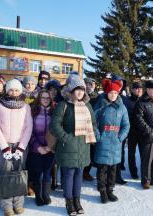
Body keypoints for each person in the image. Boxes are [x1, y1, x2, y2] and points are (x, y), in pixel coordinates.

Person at [50, 75, 97, 215]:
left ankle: (77, 200)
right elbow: (54, 124)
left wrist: (92, 133)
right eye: (77, 90)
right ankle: (69, 201)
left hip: (83, 145)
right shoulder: (63, 105)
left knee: (79, 174)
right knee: (68, 174)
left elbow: (93, 123)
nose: (80, 93)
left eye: (82, 90)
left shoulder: (87, 105)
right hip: (68, 145)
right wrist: (65, 137)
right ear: (71, 90)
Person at [0, 79, 33, 216]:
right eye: (11, 89)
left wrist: (21, 147)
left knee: (19, 173)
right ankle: (6, 206)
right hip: (3, 145)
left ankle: (18, 204)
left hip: (20, 146)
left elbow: (28, 127)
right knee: (5, 174)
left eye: (16, 90)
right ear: (7, 90)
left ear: (20, 91)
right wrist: (4, 147)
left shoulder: (25, 107)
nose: (14, 92)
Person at [94, 78, 130, 203]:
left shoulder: (122, 107)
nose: (113, 95)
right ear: (106, 93)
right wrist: (98, 136)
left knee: (113, 168)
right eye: (110, 93)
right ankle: (102, 190)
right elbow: (93, 122)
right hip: (103, 140)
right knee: (103, 168)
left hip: (116, 141)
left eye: (115, 93)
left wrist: (120, 137)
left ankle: (110, 189)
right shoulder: (100, 105)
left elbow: (126, 125)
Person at [28, 90, 55, 206]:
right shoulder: (33, 111)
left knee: (48, 172)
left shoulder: (54, 112)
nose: (45, 100)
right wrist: (38, 147)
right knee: (37, 173)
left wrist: (51, 146)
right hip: (36, 149)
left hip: (50, 148)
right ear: (39, 98)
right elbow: (29, 131)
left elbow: (56, 131)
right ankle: (38, 195)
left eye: (47, 98)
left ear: (51, 99)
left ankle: (46, 194)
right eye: (43, 97)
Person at [123, 81, 143, 179]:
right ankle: (133, 171)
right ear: (133, 90)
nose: (139, 90)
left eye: (140, 89)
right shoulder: (127, 101)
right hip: (132, 131)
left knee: (144, 153)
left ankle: (144, 171)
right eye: (137, 88)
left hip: (142, 132)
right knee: (131, 153)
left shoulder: (144, 100)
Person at [82, 78, 99, 181]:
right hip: (81, 127)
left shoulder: (98, 97)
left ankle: (86, 172)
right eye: (86, 84)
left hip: (93, 127)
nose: (88, 86)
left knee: (91, 152)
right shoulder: (80, 95)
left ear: (94, 85)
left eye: (91, 84)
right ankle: (79, 172)